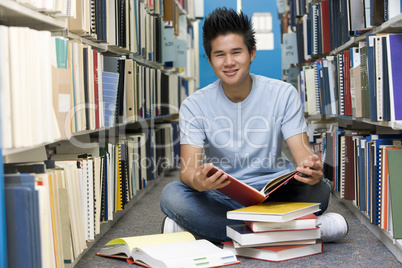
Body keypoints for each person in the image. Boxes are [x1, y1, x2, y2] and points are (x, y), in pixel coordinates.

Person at [160, 7, 348, 243]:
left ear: (252, 53)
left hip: (276, 193)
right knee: (172, 194)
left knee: (319, 189)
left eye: (236, 52)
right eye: (219, 55)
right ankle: (299, 228)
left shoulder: (283, 94)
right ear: (209, 59)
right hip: (224, 195)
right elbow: (187, 171)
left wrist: (311, 170)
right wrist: (198, 181)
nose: (229, 62)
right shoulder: (193, 105)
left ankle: (223, 231)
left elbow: (303, 156)